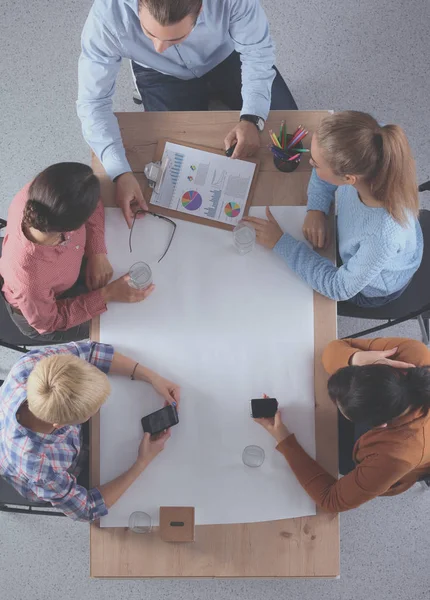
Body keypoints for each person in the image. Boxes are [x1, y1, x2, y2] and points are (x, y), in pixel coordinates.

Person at [77, 0, 298, 227]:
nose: (159, 48)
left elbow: (257, 52)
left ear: (201, 9)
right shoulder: (106, 16)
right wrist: (119, 172)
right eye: (149, 33)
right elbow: (93, 102)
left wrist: (252, 117)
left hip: (227, 54)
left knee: (288, 132)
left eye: (175, 38)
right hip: (159, 72)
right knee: (173, 159)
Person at [244, 111, 423, 307]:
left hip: (372, 286)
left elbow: (338, 288)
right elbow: (328, 165)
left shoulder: (381, 237)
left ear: (348, 179)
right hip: (358, 243)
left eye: (315, 164)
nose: (311, 165)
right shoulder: (370, 142)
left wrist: (280, 242)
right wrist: (316, 209)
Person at [0, 340, 180, 521]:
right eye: (95, 409)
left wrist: (151, 377)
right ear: (62, 425)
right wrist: (142, 461)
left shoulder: (33, 365)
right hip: (54, 476)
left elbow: (91, 352)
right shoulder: (41, 469)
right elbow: (88, 509)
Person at [256, 337, 430, 512]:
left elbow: (331, 500)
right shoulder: (414, 352)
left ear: (378, 425)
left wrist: (283, 438)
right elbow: (333, 349)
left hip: (389, 462)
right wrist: (355, 358)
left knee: (339, 459)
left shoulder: (396, 457)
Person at [0, 162, 154, 343]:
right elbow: (50, 322)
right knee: (120, 323)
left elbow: (94, 201)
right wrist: (107, 294)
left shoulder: (43, 190)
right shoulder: (29, 280)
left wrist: (97, 252)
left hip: (58, 278)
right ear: (70, 229)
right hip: (45, 317)